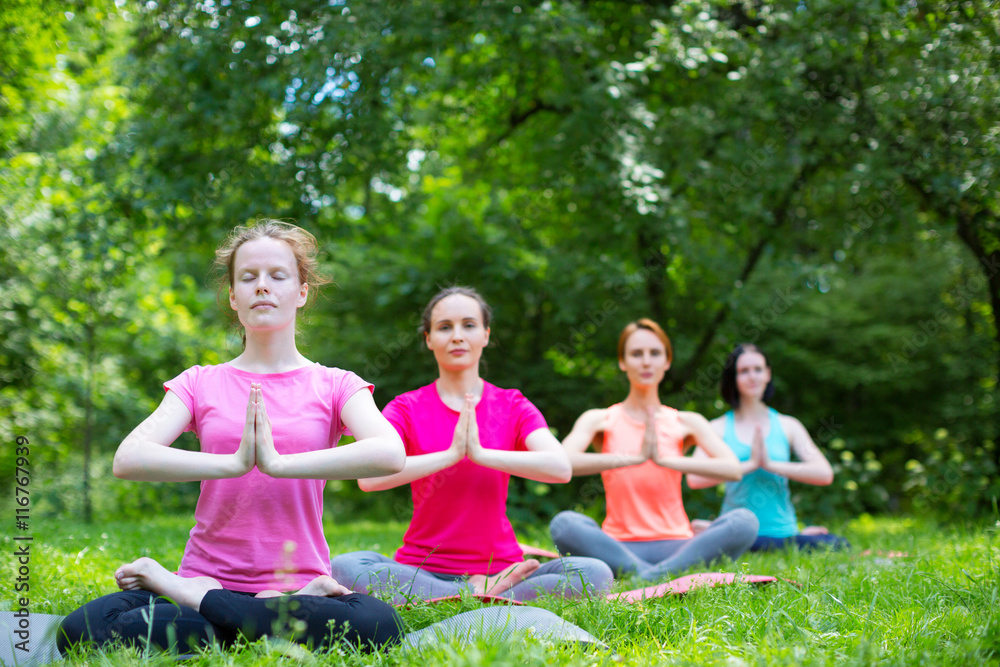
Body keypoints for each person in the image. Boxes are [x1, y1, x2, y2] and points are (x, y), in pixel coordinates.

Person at [57, 220, 407, 655]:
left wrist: (278, 464)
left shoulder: (336, 384)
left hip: (292, 586)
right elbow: (129, 457)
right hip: (212, 575)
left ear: (301, 292)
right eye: (248, 277)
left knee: (381, 625)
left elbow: (391, 453)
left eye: (277, 276)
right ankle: (253, 617)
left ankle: (196, 601)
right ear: (233, 296)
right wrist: (233, 464)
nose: (262, 286)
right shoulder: (199, 382)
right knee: (84, 629)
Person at [330, 287, 614, 602]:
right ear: (428, 339)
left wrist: (480, 454)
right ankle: (475, 592)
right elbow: (369, 478)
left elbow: (559, 468)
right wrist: (451, 455)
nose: (457, 336)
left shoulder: (512, 404)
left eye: (468, 325)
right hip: (422, 567)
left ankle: (462, 592)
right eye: (444, 327)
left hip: (502, 566)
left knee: (595, 573)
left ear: (485, 335)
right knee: (346, 566)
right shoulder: (406, 407)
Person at [548, 319, 759, 580]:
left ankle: (642, 578)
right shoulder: (600, 419)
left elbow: (732, 468)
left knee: (745, 521)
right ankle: (661, 577)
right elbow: (561, 462)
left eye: (655, 353)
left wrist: (666, 460)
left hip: (677, 545)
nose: (646, 362)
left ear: (667, 362)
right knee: (565, 524)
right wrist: (633, 458)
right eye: (636, 354)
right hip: (617, 546)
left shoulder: (686, 421)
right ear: (623, 362)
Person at [687, 343, 849, 552]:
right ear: (733, 379)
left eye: (758, 369)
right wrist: (750, 464)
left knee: (838, 545)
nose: (752, 376)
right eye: (744, 371)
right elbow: (694, 479)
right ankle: (717, 529)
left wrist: (771, 465)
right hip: (737, 536)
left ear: (768, 374)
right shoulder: (717, 428)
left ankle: (716, 530)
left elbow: (824, 473)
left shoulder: (788, 425)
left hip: (783, 534)